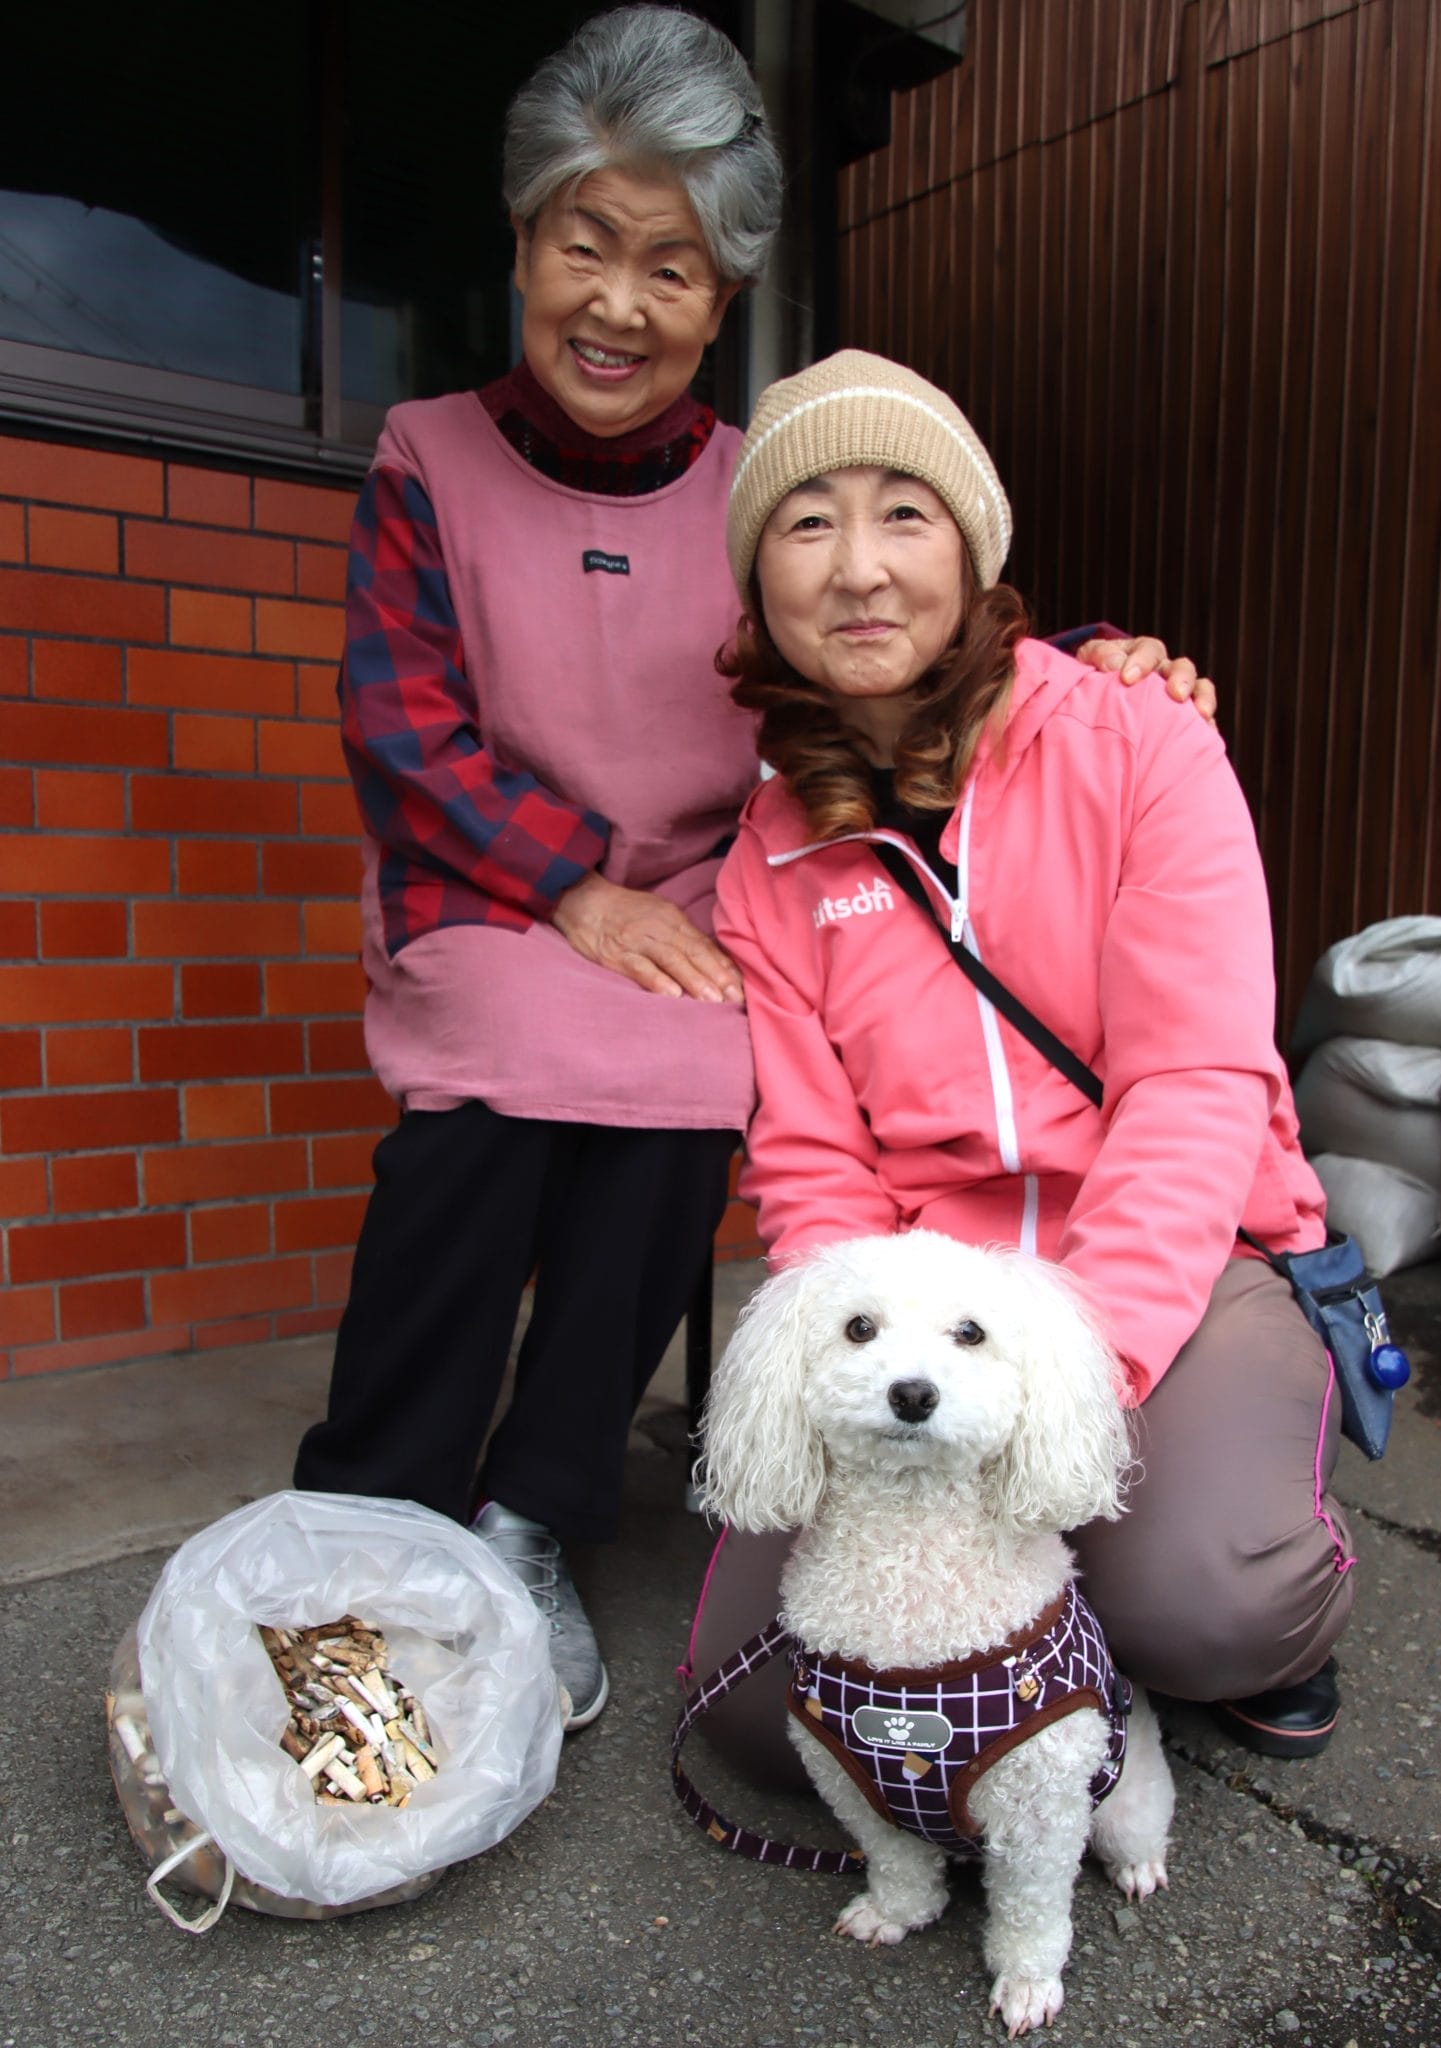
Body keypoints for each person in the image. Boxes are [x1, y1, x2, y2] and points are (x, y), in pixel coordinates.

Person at [295, 8, 1214, 1733]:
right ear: (522, 246)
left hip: (709, 912)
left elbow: (889, 637)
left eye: (672, 268)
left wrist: (1099, 652)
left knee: (697, 1068)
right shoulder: (425, 451)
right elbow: (401, 730)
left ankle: (531, 1516)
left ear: (720, 303)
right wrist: (571, 887)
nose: (619, 305)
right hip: (492, 895)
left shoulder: (757, 494)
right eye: (586, 246)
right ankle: (374, 1499)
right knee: (495, 1099)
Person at [691, 349, 1352, 1772]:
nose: (858, 569)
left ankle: (1224, 1596)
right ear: (758, 582)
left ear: (972, 554)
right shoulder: (769, 852)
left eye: (903, 514)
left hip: (1189, 1259)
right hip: (933, 1282)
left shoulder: (1139, 742)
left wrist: (1064, 1388)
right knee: (760, 1706)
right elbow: (812, 1160)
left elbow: (1192, 1088)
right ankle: (1060, 1623)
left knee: (1205, 1608)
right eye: (806, 523)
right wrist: (866, 1358)